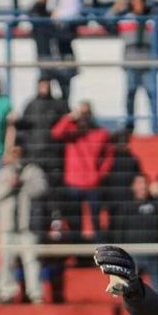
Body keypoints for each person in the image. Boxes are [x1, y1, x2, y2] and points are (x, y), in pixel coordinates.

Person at [0, 143, 48, 304]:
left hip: (27, 225)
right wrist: (9, 185)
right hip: (7, 225)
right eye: (12, 153)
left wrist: (23, 184)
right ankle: (6, 293)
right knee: (6, 260)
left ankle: (35, 293)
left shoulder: (33, 171)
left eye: (18, 152)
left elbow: (40, 189)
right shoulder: (3, 173)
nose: (15, 156)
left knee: (31, 260)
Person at [51, 101, 114, 243]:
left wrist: (100, 174)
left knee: (96, 222)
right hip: (73, 183)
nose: (84, 117)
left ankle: (99, 252)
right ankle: (78, 253)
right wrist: (70, 117)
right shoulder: (72, 132)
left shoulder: (101, 134)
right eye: (82, 114)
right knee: (74, 223)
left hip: (93, 184)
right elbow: (56, 133)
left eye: (86, 114)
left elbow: (109, 156)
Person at [111, 172, 158, 315]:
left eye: (145, 184)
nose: (142, 188)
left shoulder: (157, 206)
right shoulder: (126, 207)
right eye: (139, 184)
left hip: (154, 254)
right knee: (132, 295)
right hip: (133, 256)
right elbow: (118, 232)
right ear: (133, 187)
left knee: (157, 293)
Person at [106, 0, 158, 134]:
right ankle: (129, 126)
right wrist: (115, 9)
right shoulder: (125, 18)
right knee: (130, 96)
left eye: (141, 1)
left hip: (149, 64)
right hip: (131, 64)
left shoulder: (153, 19)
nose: (138, 4)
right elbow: (106, 23)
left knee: (153, 97)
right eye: (135, 1)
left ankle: (155, 128)